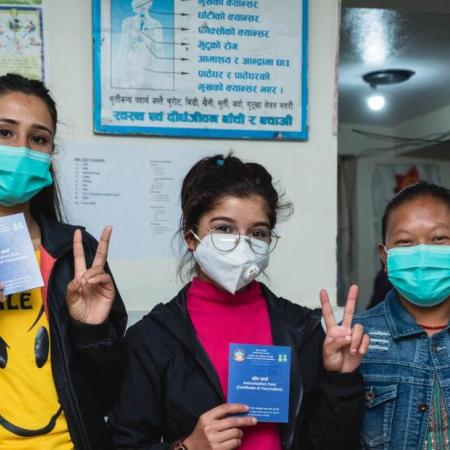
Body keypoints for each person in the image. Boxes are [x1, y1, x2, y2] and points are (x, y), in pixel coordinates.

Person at [110, 154, 369, 450]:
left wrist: (340, 380)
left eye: (257, 233)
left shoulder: (301, 330)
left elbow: (331, 444)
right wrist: (188, 447)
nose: (243, 244)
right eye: (223, 228)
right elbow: (124, 443)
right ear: (190, 238)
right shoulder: (153, 338)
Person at [0, 73, 126, 449]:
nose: (22, 149)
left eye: (38, 139)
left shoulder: (75, 252)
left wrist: (91, 331)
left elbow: (112, 392)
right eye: (5, 133)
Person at [353, 182, 450, 449]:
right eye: (405, 241)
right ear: (384, 256)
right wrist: (335, 379)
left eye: (438, 238)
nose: (421, 253)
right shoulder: (354, 339)